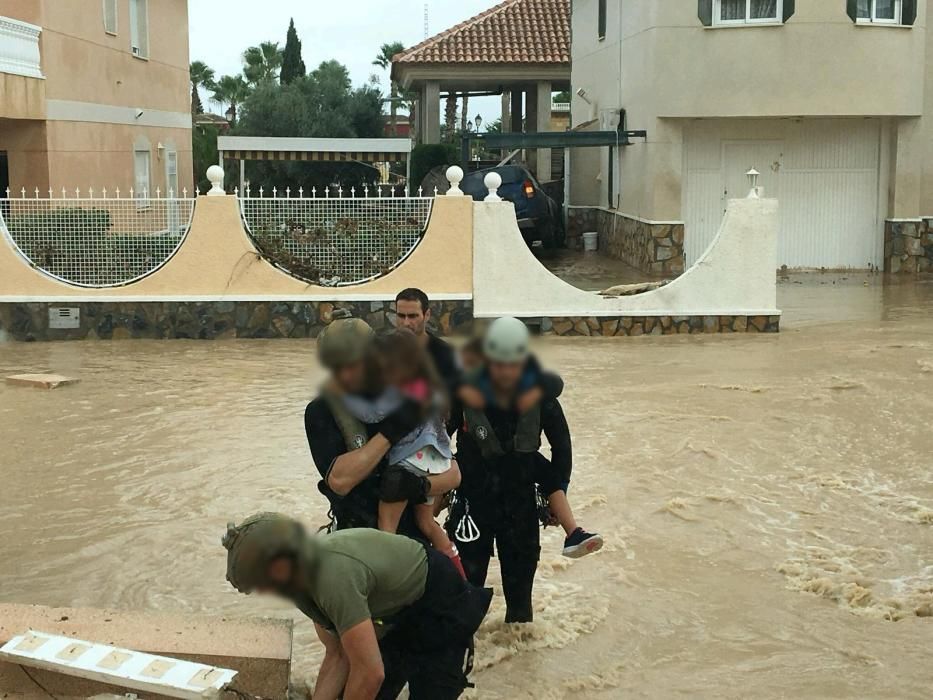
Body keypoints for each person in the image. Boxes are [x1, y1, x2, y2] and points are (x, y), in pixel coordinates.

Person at [223, 513, 492, 700]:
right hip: (395, 615)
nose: (265, 592)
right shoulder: (297, 582)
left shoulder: (330, 578)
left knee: (418, 689)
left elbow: (371, 673)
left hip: (439, 600)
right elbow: (338, 654)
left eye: (261, 582)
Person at [447, 318, 602, 623]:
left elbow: (562, 447)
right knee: (467, 597)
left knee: (520, 606)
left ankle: (519, 659)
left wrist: (559, 495)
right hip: (471, 507)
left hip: (520, 507)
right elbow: (438, 439)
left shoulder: (542, 398)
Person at [304, 315, 461, 535]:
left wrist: (418, 486)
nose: (345, 372)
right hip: (355, 536)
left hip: (413, 537)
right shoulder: (321, 410)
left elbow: (453, 474)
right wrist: (392, 432)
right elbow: (340, 480)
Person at [339, 329, 466, 577]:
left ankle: (391, 579)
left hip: (411, 461)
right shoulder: (427, 385)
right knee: (427, 524)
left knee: (386, 528)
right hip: (438, 461)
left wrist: (345, 396)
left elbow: (371, 415)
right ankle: (459, 576)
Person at [395, 288, 460, 392]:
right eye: (401, 316)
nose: (406, 323)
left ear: (427, 315)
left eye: (412, 316)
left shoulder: (444, 353)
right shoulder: (383, 350)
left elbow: (454, 396)